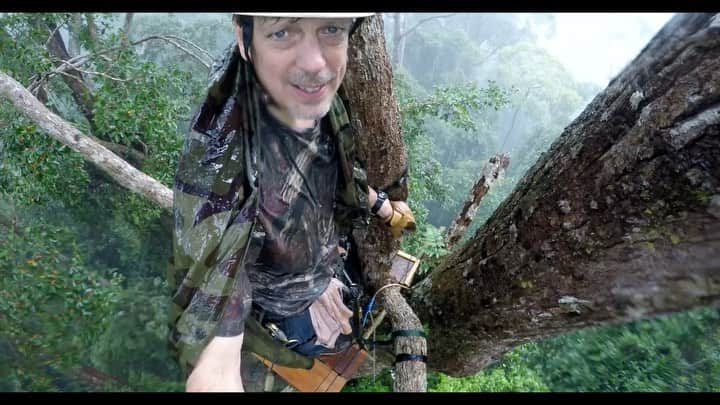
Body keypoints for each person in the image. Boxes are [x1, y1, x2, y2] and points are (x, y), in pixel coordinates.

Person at [167, 12, 416, 391]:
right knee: (328, 343)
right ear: (243, 36)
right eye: (283, 31)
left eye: (331, 29)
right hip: (288, 303)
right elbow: (213, 344)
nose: (316, 63)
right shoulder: (225, 157)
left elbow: (336, 166)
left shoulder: (302, 93)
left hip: (327, 259)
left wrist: (381, 205)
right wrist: (214, 366)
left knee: (348, 316)